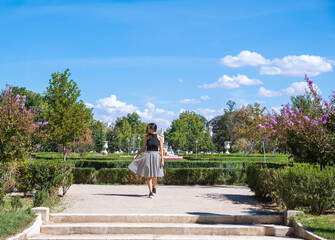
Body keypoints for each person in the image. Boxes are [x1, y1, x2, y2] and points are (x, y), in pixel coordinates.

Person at [128, 123, 164, 198]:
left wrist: (162, 160)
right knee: (148, 176)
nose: (148, 129)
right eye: (147, 128)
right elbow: (143, 148)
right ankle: (150, 192)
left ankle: (154, 187)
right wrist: (136, 155)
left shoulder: (159, 138)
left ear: (153, 129)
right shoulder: (147, 137)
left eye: (149, 128)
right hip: (148, 156)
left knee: (155, 176)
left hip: (156, 156)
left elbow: (161, 149)